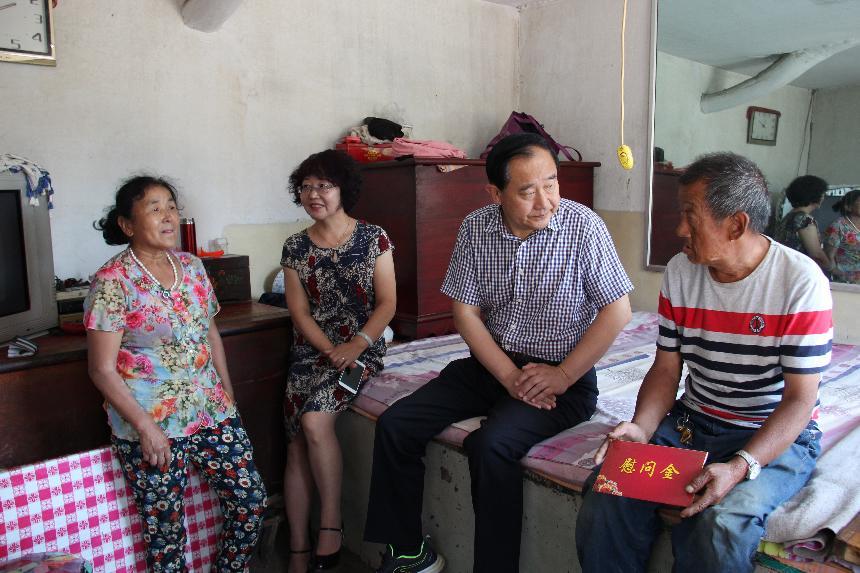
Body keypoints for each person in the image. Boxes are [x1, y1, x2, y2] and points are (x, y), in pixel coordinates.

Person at [364, 133, 634, 573]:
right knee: (397, 424)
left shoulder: (583, 227)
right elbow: (465, 313)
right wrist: (508, 376)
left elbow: (617, 311)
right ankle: (409, 553)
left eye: (551, 183)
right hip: (492, 365)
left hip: (562, 378)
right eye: (528, 191)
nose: (545, 201)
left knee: (491, 446)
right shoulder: (477, 227)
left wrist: (563, 376)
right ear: (496, 194)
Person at [576, 152, 832, 573]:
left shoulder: (800, 282)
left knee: (721, 524)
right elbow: (666, 368)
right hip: (693, 423)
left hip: (770, 431)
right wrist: (641, 428)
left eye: (690, 216)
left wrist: (740, 466)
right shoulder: (681, 271)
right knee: (610, 492)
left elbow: (800, 400)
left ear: (736, 225)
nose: (680, 229)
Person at [85, 176, 267, 572]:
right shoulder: (112, 281)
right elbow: (101, 369)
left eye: (171, 206)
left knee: (250, 501)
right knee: (166, 535)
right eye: (154, 209)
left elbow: (210, 334)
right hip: (151, 422)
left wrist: (228, 396)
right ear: (127, 225)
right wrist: (146, 428)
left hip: (211, 411)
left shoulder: (192, 266)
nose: (168, 216)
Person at [280, 150, 396, 572]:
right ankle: (298, 546)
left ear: (343, 189)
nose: (314, 194)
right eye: (306, 186)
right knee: (295, 441)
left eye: (324, 186)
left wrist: (357, 344)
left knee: (314, 421)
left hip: (363, 349)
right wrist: (330, 350)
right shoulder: (295, 247)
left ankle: (331, 524)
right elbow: (299, 313)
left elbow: (387, 304)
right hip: (311, 352)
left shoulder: (373, 238)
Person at [774, 175, 831, 272]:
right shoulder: (805, 220)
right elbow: (816, 253)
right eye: (822, 194)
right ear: (814, 195)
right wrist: (830, 267)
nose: (823, 197)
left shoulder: (789, 216)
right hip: (798, 271)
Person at [824, 189, 860, 284]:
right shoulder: (838, 226)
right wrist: (839, 274)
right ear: (848, 207)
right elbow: (829, 256)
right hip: (847, 281)